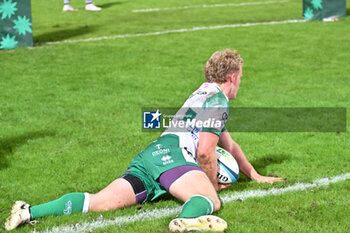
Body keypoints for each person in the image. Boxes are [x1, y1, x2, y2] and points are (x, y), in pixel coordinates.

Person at [4, 49, 282, 232]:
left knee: (99, 202)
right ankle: (186, 220)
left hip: (150, 156)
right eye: (241, 78)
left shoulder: (202, 93)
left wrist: (254, 175)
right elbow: (207, 153)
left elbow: (228, 145)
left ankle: (28, 211)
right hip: (174, 157)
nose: (241, 83)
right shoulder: (218, 101)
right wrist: (210, 186)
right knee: (208, 199)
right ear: (232, 77)